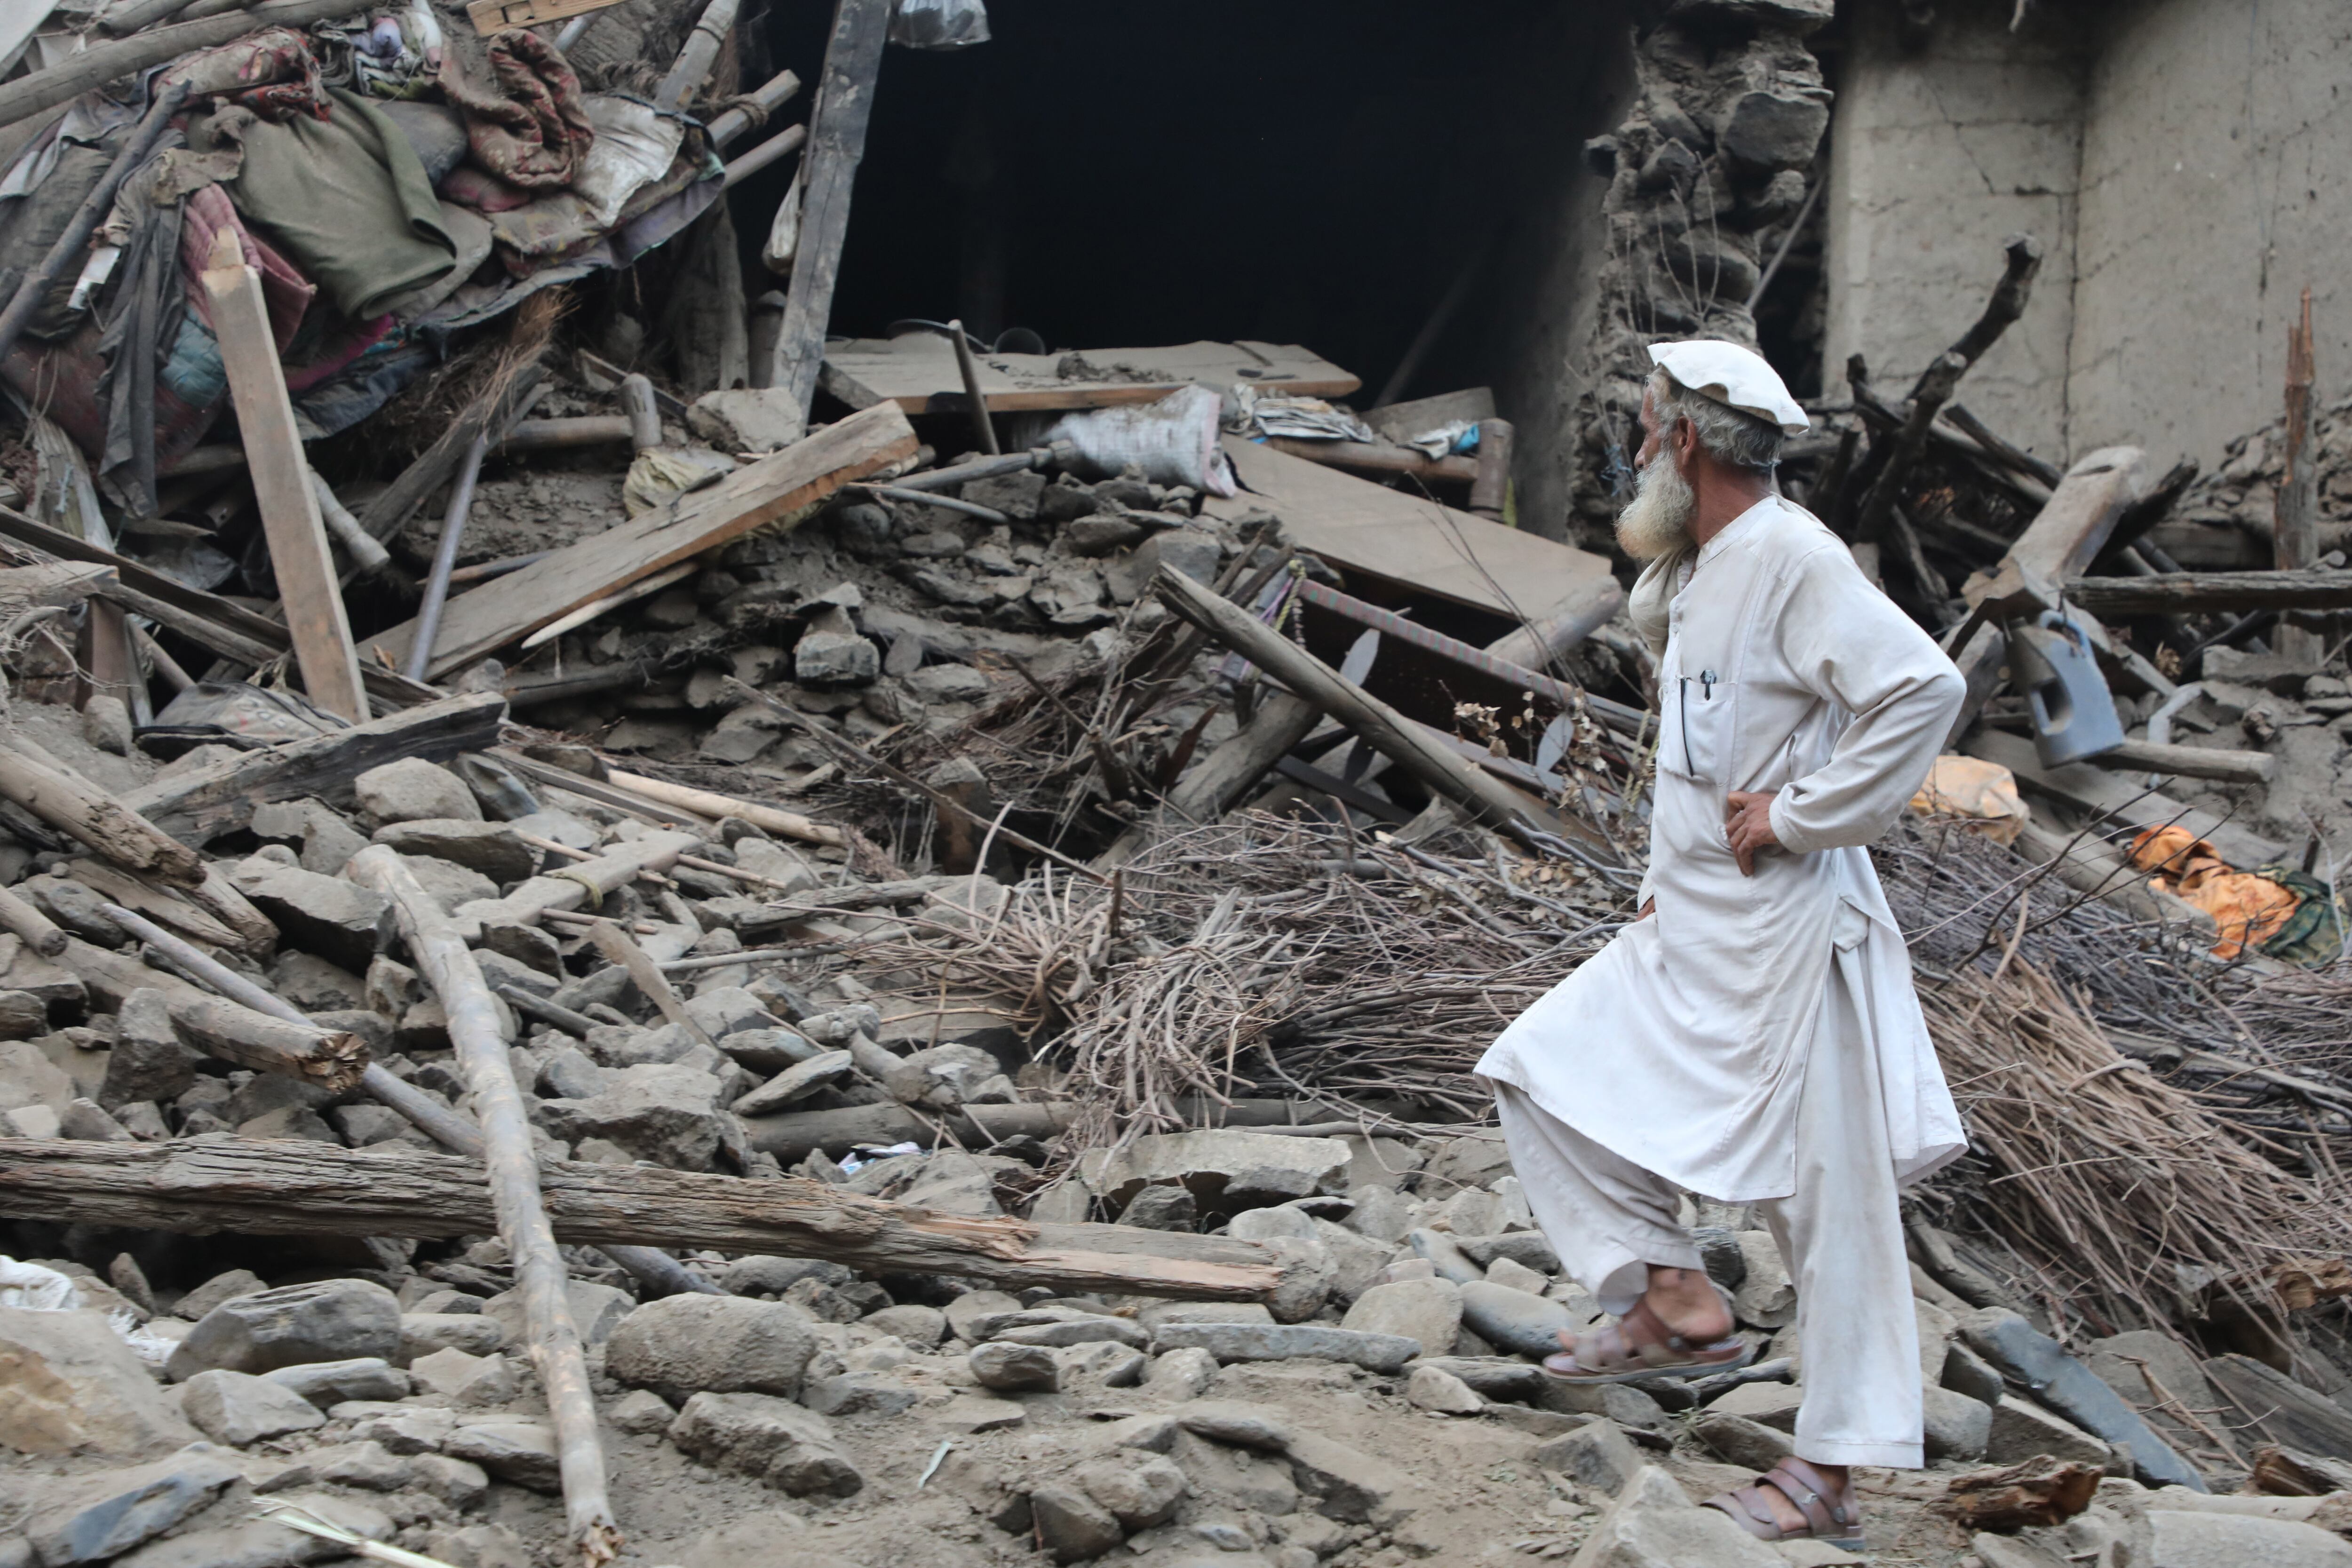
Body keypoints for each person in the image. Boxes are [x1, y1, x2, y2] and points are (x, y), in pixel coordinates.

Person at [1474, 340, 1968, 1551]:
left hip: (1797, 943)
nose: (1636, 449)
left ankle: (1830, 1474)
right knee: (1540, 1069)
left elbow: (1921, 689)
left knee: (1826, 1207)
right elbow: (1694, 766)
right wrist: (1658, 881)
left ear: (1684, 441)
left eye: (1646, 429)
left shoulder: (1792, 558)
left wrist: (1799, 816)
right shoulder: (1700, 575)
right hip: (1690, 925)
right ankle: (1675, 1296)